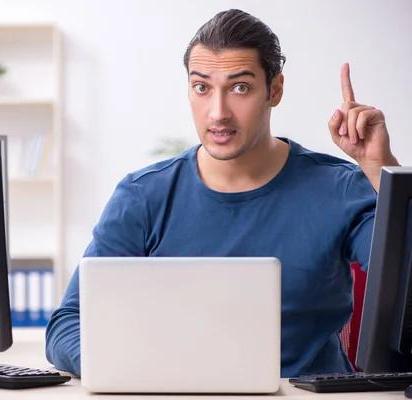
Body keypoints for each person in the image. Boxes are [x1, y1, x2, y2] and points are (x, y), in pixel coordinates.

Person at [45, 8, 400, 378]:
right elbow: (69, 323)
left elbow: (407, 297)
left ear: (274, 90)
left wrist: (381, 168)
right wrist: (137, 372)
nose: (218, 113)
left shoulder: (341, 187)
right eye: (202, 88)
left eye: (240, 88)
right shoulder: (143, 196)